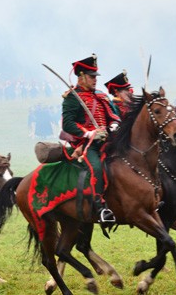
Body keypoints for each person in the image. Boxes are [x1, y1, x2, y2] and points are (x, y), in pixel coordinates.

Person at [61, 54, 121, 224]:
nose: (95, 80)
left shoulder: (100, 95)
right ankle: (100, 208)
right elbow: (67, 123)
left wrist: (114, 125)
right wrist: (89, 133)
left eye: (95, 77)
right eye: (91, 77)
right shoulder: (72, 97)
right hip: (87, 145)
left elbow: (113, 115)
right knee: (96, 167)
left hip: (109, 140)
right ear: (81, 77)